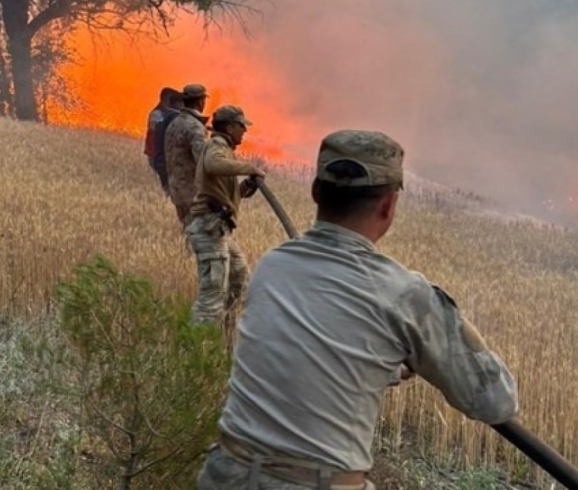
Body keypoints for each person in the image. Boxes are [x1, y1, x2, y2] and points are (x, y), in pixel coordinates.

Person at [197, 130, 519, 490]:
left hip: (224, 474)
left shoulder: (273, 264)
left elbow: (311, 354)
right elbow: (494, 401)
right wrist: (439, 321)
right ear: (388, 206)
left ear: (316, 191)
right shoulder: (404, 293)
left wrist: (383, 364)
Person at [186, 105, 265, 351]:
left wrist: (243, 190)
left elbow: (222, 196)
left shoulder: (225, 151)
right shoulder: (217, 147)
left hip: (221, 231)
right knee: (211, 298)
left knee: (240, 278)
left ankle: (227, 339)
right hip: (209, 231)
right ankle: (196, 353)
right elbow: (212, 165)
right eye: (242, 126)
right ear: (230, 127)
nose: (244, 131)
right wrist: (249, 168)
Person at [164, 83, 210, 227]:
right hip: (192, 193)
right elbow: (204, 162)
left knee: (188, 230)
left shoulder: (174, 124)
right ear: (201, 101)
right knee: (200, 236)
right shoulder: (195, 128)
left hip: (176, 189)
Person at [152, 90, 184, 194]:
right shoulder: (173, 118)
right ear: (178, 104)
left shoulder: (165, 117)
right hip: (168, 161)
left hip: (161, 159)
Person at [144, 87, 179, 176]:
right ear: (165, 100)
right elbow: (154, 128)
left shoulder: (168, 115)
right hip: (155, 153)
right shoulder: (157, 114)